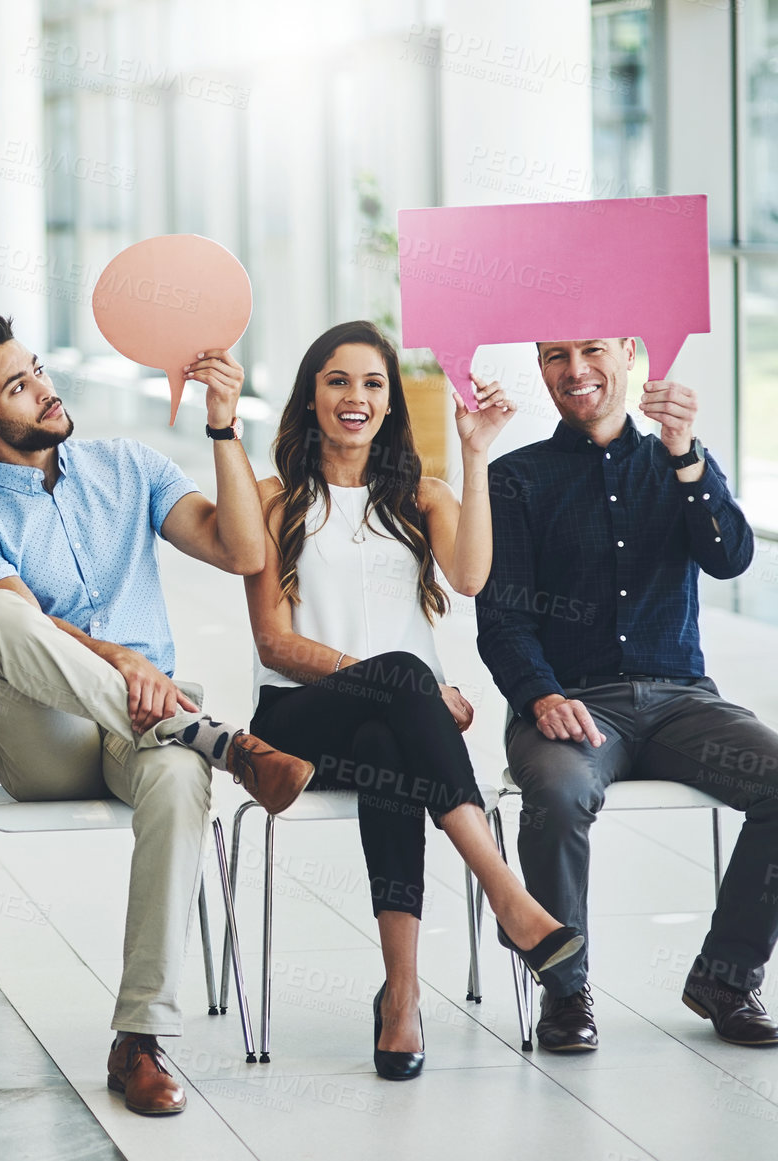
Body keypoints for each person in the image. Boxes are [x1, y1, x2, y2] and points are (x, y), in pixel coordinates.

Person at [0, 313, 313, 1116]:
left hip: (148, 724)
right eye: (20, 386)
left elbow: (241, 551)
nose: (45, 388)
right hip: (48, 739)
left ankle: (140, 1038)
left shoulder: (128, 466)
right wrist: (120, 658)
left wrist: (222, 423)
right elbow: (14, 618)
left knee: (177, 778)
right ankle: (223, 742)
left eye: (38, 369)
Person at [242, 320, 584, 1079]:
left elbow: (470, 577)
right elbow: (275, 643)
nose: (355, 397)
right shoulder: (273, 500)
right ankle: (507, 894)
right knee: (400, 684)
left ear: (392, 402)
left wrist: (474, 449)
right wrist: (410, 687)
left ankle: (401, 996)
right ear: (309, 397)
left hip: (398, 730)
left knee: (388, 751)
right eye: (337, 381)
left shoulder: (420, 497)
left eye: (372, 383)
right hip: (295, 723)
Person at [478, 336, 778, 1052]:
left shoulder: (679, 462)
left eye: (592, 349)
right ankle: (565, 988)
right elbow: (502, 619)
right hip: (572, 701)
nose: (575, 370)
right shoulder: (515, 478)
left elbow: (730, 556)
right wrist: (541, 694)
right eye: (556, 355)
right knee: (553, 791)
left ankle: (727, 979)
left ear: (631, 354)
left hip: (682, 701)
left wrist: (686, 456)